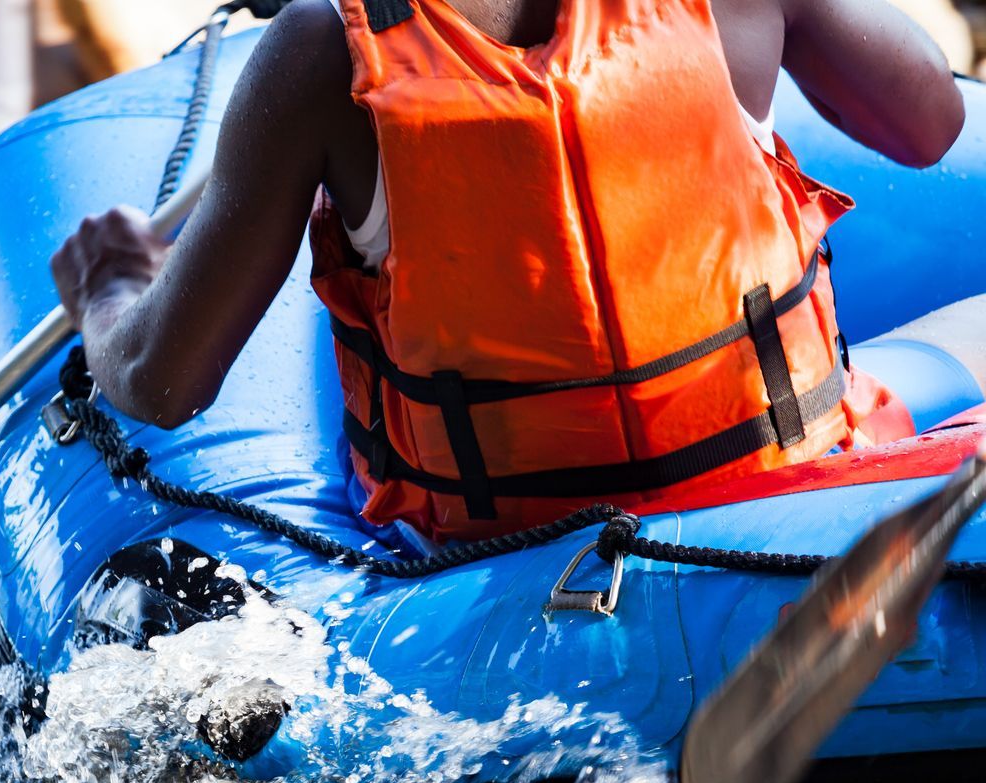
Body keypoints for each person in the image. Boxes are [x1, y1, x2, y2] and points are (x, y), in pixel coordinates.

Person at [50, 0, 974, 540]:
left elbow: (160, 381)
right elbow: (928, 123)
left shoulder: (319, 56)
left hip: (495, 560)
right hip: (798, 492)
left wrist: (111, 286)